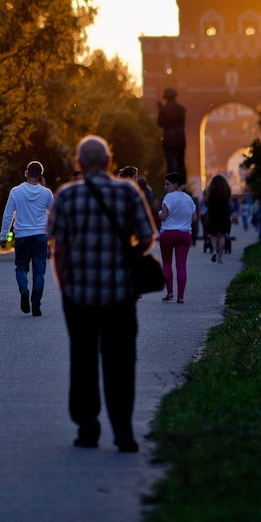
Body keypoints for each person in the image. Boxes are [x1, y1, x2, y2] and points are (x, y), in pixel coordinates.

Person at [49, 135, 156, 452]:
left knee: (82, 359)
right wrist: (127, 253)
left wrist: (64, 286)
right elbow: (148, 236)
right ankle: (123, 431)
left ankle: (87, 429)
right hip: (121, 293)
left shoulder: (67, 196)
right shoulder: (127, 191)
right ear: (109, 161)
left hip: (79, 295)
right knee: (120, 361)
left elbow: (60, 248)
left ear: (79, 164)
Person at [0, 161, 54, 315]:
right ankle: (36, 305)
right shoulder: (46, 193)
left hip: (22, 236)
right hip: (40, 236)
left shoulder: (16, 191)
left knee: (21, 267)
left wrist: (4, 236)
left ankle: (24, 290)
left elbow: (8, 215)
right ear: (40, 176)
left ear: (26, 173)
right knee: (39, 272)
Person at [158, 172, 197, 303]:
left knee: (167, 263)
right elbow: (195, 218)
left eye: (167, 184)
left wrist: (158, 214)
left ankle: (170, 292)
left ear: (175, 184)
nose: (165, 187)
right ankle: (181, 296)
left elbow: (163, 216)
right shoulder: (189, 199)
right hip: (184, 234)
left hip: (168, 234)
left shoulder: (169, 197)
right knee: (181, 265)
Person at [157, 88, 187, 182]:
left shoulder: (163, 109)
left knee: (170, 162)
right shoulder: (181, 108)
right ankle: (182, 183)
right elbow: (183, 122)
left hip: (169, 137)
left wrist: (161, 109)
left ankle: (172, 182)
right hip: (180, 137)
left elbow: (160, 124)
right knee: (181, 162)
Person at [204, 173, 233, 264]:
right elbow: (230, 204)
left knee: (213, 235)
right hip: (224, 215)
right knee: (222, 236)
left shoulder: (211, 189)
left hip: (213, 214)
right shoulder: (227, 190)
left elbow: (205, 201)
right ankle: (220, 258)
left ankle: (214, 251)